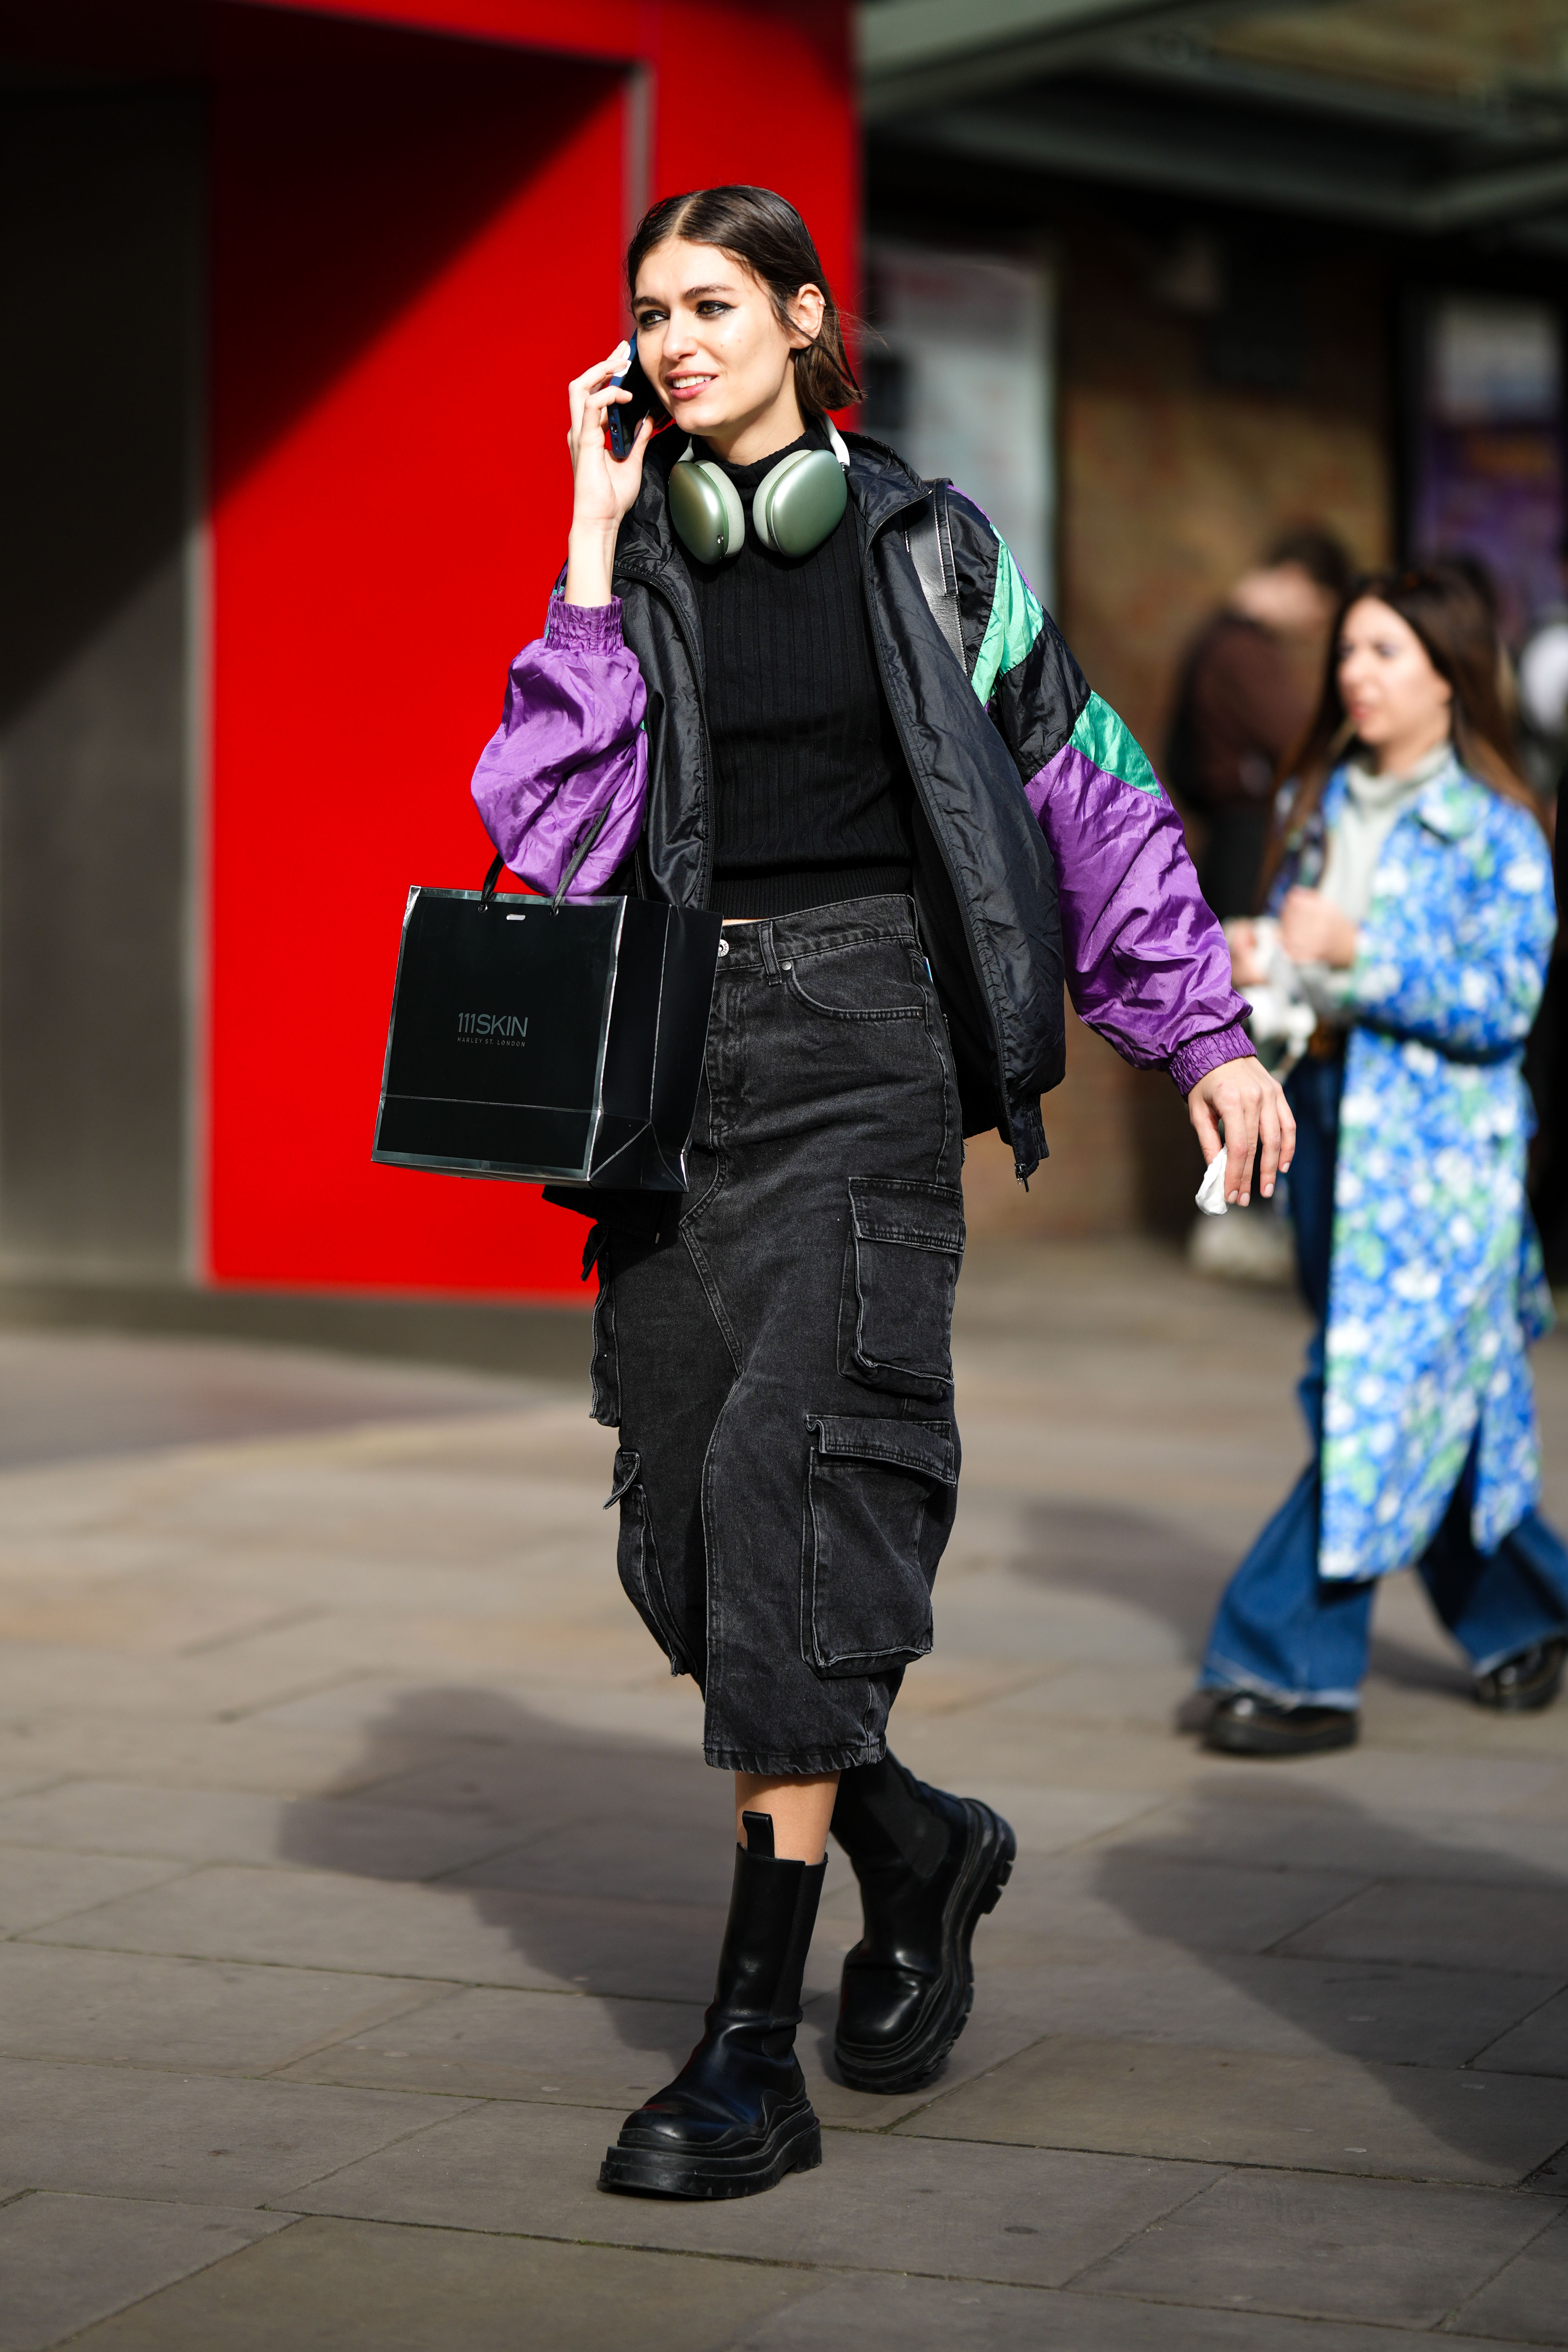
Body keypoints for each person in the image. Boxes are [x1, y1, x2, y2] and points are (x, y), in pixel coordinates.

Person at [470, 184, 1292, 2199]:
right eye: (646, 315)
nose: (674, 343)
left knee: (797, 1478)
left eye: (712, 306)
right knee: (674, 1522)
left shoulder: (935, 556)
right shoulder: (637, 565)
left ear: (806, 322)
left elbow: (1084, 785)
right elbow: (551, 841)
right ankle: (913, 1837)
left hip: (863, 1047)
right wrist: (585, 555)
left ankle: (751, 2039)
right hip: (673, 1071)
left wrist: (1197, 1029)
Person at [1198, 565, 1567, 1759]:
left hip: (1443, 1162)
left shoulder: (1497, 827)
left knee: (1370, 1396)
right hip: (1328, 1128)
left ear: (1452, 676)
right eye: (1349, 650)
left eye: (1385, 654)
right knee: (1413, 1394)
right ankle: (1530, 1615)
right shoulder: (1316, 797)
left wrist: (1365, 947)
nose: (1355, 673)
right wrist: (1265, 958)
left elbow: (1504, 1002)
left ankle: (1285, 1655)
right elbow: (1308, 968)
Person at [1165, 527, 1351, 919]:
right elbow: (1298, 739)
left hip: (1233, 840)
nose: (1314, 628)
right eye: (1318, 611)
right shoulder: (1241, 650)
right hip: (1241, 842)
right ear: (1294, 579)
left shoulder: (1226, 639)